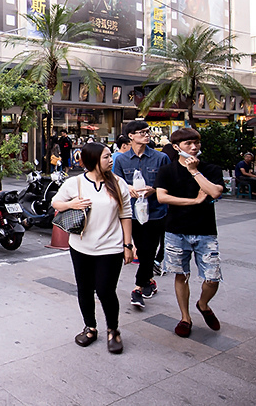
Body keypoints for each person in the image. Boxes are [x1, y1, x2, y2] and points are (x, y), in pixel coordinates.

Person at [52, 142, 133, 354]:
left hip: (111, 247)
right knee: (84, 289)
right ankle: (90, 327)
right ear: (93, 160)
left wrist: (128, 245)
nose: (111, 160)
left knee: (106, 290)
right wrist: (71, 204)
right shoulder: (75, 183)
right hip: (81, 246)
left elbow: (126, 215)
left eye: (110, 156)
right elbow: (56, 203)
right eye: (106, 157)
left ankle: (113, 330)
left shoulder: (118, 183)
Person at [155, 128, 225, 339]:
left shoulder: (210, 169)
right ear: (177, 147)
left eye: (196, 143)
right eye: (188, 144)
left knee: (212, 278)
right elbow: (162, 197)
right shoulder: (167, 170)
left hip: (205, 231)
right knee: (181, 274)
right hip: (176, 230)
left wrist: (194, 171)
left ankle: (203, 304)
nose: (194, 147)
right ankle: (185, 318)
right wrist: (193, 201)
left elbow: (215, 192)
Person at [112, 120, 170, 310]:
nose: (146, 135)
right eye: (142, 132)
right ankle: (149, 281)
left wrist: (154, 189)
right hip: (133, 212)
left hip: (156, 212)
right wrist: (128, 187)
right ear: (131, 136)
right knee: (142, 250)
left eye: (147, 131)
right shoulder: (121, 160)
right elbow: (116, 181)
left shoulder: (160, 158)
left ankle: (138, 287)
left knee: (149, 249)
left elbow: (168, 182)